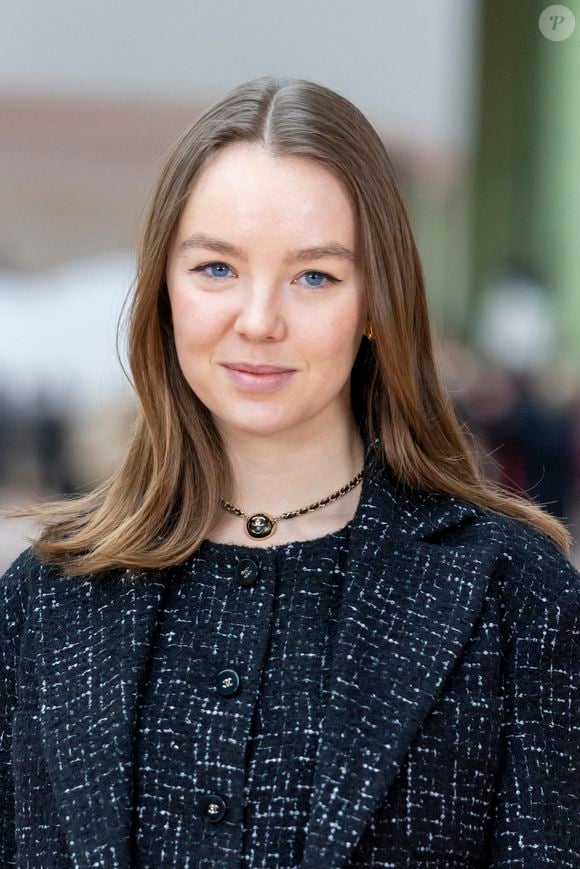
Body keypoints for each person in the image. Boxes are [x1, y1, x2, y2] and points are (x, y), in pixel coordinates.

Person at [1, 75, 579, 868]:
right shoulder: (43, 600)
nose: (260, 320)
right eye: (215, 269)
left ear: (377, 300)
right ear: (163, 293)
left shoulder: (515, 595)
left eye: (315, 276)